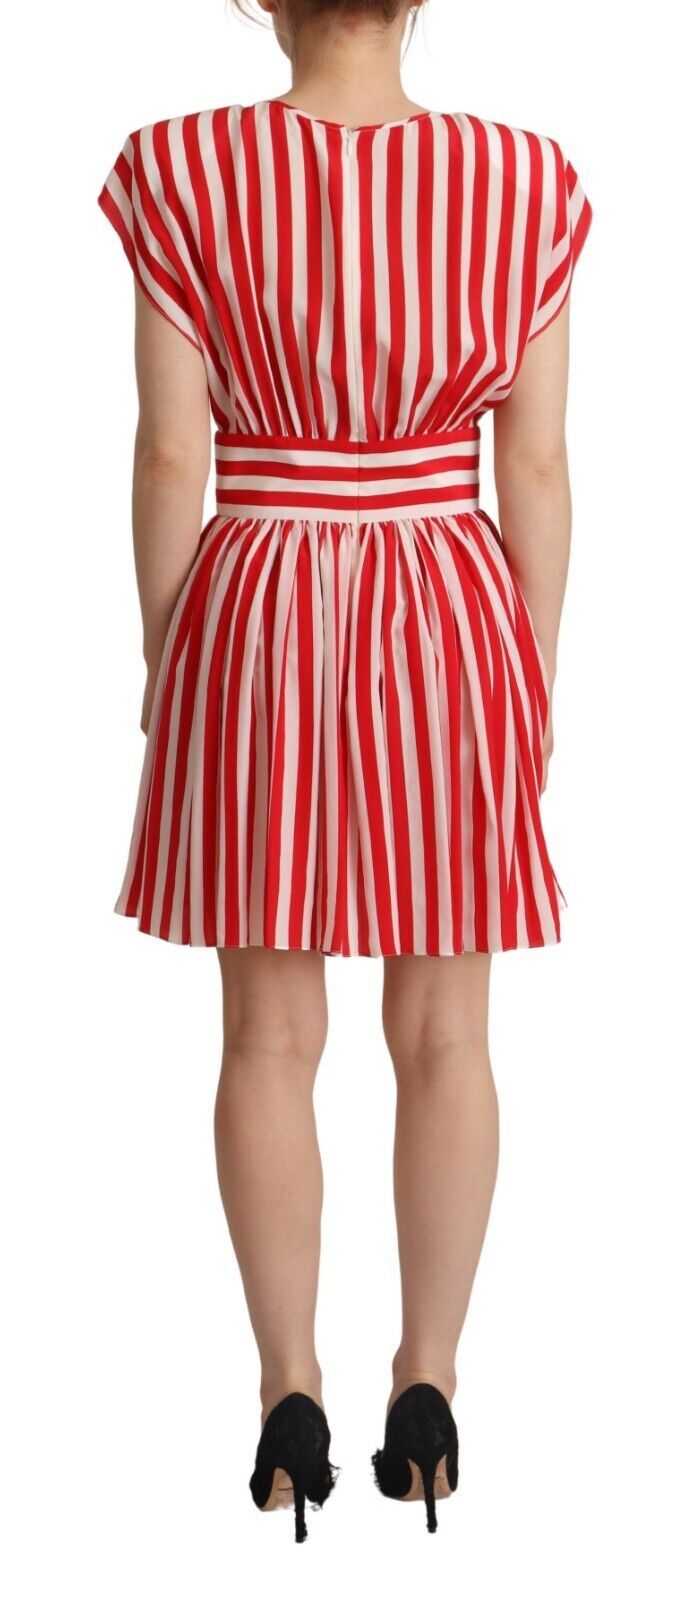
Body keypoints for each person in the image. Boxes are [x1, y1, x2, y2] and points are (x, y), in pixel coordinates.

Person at [97, 0, 592, 1544]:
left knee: (267, 1038)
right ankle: (428, 1383)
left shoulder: (182, 169)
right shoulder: (524, 181)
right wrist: (531, 679)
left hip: (258, 596)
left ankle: (287, 1394)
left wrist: (173, 657)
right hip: (449, 604)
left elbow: (170, 456)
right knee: (445, 1033)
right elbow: (535, 464)